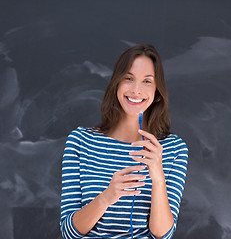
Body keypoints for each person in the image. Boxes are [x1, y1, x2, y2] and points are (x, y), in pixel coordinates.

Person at [60, 45, 188, 239]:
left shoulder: (173, 148)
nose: (136, 90)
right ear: (116, 83)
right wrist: (107, 197)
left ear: (157, 91)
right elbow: (69, 232)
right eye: (129, 78)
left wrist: (157, 177)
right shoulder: (81, 141)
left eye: (147, 81)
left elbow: (163, 235)